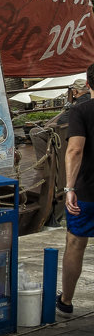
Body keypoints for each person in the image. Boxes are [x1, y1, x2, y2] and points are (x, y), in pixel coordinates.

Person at [60, 64, 94, 315]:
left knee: (75, 243)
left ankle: (67, 301)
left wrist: (69, 186)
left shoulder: (81, 111)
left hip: (86, 191)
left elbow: (75, 150)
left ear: (88, 83)